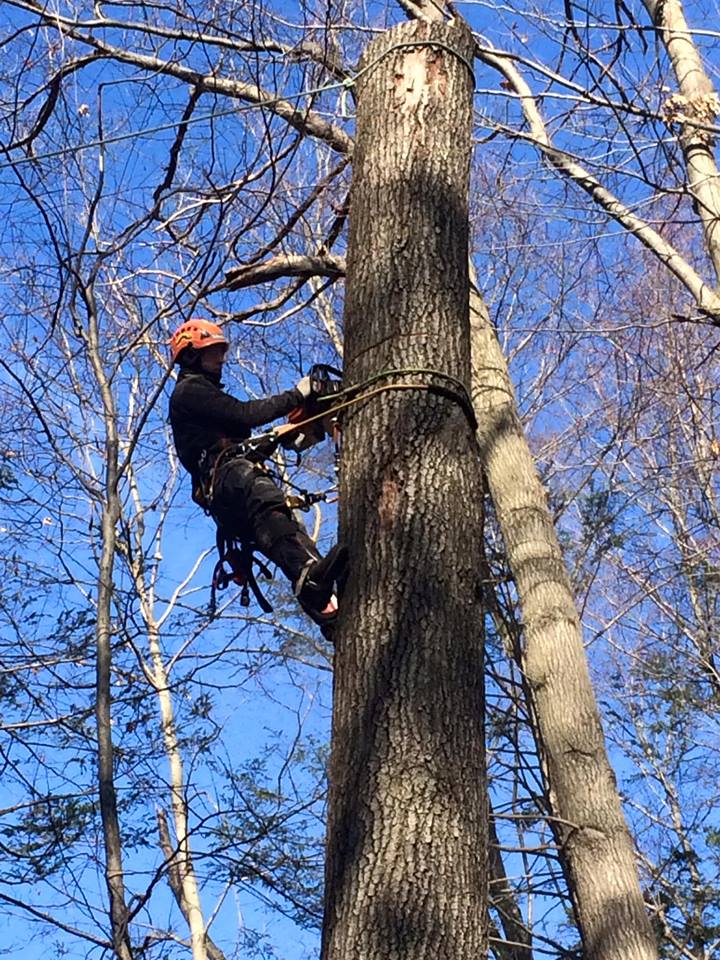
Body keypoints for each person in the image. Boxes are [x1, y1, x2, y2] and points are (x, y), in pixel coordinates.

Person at [168, 318, 346, 625]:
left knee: (284, 529)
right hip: (229, 483)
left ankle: (326, 609)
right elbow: (246, 415)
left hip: (230, 494)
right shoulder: (189, 391)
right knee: (261, 493)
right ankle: (311, 580)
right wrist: (298, 394)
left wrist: (280, 437)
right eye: (214, 351)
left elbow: (233, 440)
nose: (221, 358)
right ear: (192, 355)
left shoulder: (204, 403)